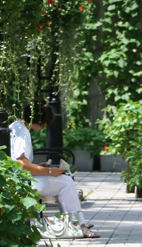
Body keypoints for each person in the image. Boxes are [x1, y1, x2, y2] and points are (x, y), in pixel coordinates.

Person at [9, 102, 100, 238]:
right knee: (66, 182)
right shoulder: (22, 132)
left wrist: (40, 167)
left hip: (19, 178)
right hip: (23, 182)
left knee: (65, 181)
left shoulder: (16, 126)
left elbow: (20, 162)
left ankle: (74, 223)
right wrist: (49, 172)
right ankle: (78, 225)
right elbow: (21, 164)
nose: (45, 125)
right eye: (44, 122)